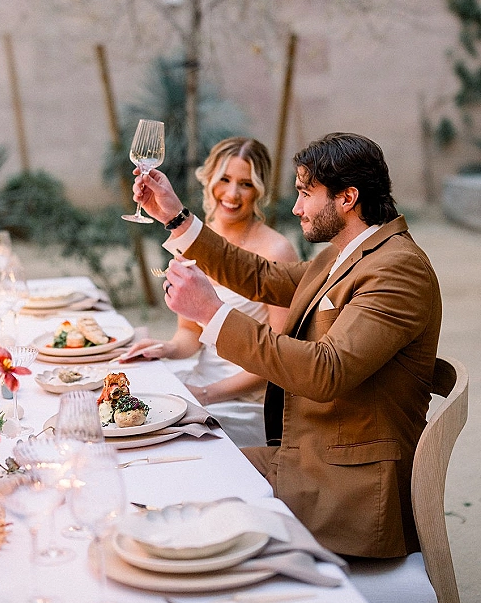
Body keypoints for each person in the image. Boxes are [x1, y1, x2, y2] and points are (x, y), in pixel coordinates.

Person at [130, 132, 442, 560]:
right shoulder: (346, 254)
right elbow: (262, 278)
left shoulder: (398, 269)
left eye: (305, 194)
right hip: (303, 456)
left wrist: (212, 314)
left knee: (182, 501)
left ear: (347, 197)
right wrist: (175, 217)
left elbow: (325, 371)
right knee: (170, 473)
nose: (296, 208)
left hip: (347, 488)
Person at [120, 137, 298, 447]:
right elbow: (190, 333)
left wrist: (205, 395)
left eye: (245, 184)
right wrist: (166, 348)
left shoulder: (277, 251)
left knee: (168, 437)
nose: (232, 193)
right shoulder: (191, 240)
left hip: (245, 399)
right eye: (225, 180)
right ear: (209, 180)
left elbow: (279, 360)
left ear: (260, 190)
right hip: (200, 381)